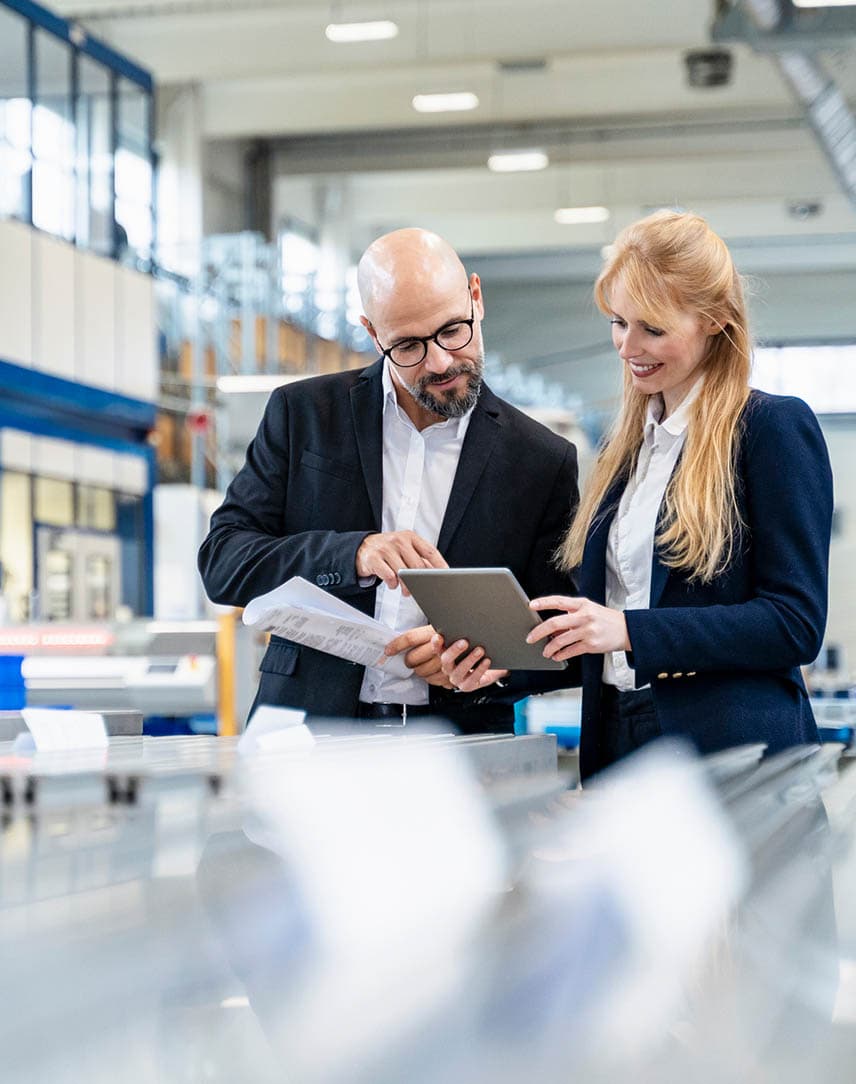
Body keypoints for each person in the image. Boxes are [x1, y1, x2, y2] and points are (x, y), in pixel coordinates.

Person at [439, 210, 833, 778]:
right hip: (620, 738)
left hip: (728, 753)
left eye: (653, 328)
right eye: (619, 322)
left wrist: (628, 629)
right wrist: (504, 663)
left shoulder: (769, 429)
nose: (628, 347)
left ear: (715, 322)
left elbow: (794, 622)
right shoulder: (627, 453)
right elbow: (603, 638)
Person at [198, 228, 578, 731]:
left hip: (459, 746)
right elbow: (223, 562)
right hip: (306, 734)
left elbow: (562, 635)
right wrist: (351, 554)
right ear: (373, 334)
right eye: (408, 346)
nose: (440, 361)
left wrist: (485, 667)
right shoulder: (303, 415)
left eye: (452, 330)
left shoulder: (541, 460)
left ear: (476, 297)